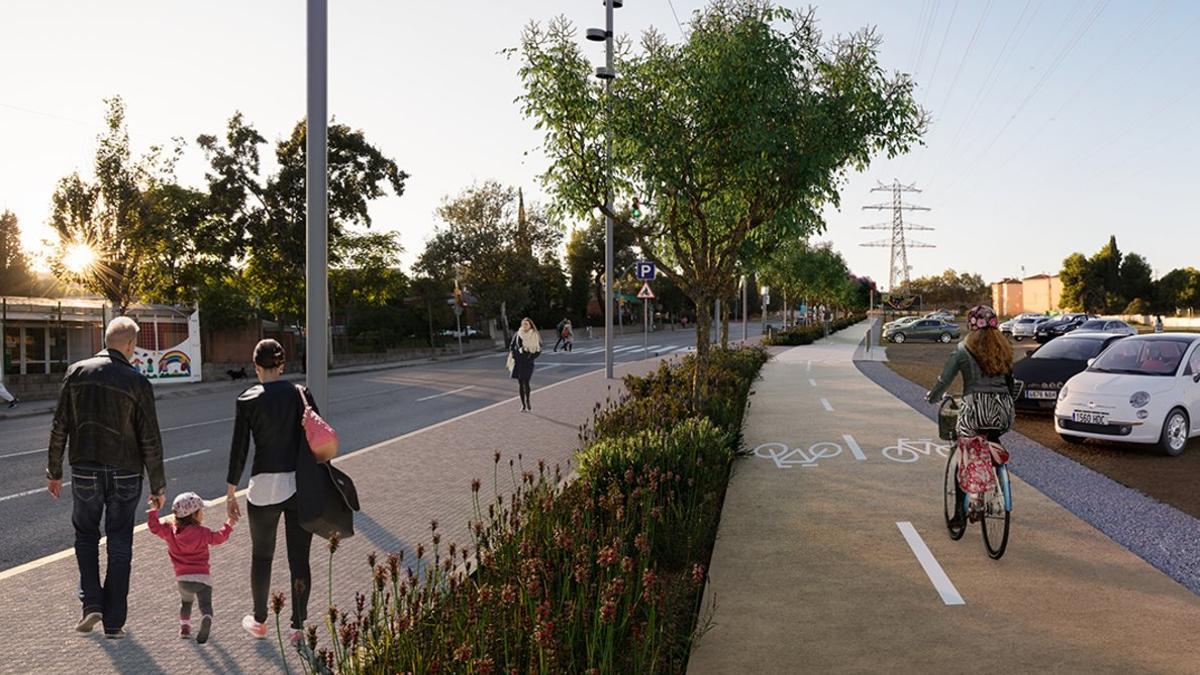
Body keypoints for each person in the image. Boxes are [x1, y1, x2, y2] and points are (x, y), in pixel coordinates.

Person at [46, 316, 166, 639]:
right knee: (120, 541)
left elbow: (60, 425)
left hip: (84, 468)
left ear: (105, 339)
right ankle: (114, 623)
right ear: (129, 345)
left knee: (85, 536)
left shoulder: (76, 373)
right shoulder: (137, 381)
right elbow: (150, 438)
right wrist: (158, 485)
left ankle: (92, 605)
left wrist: (54, 471)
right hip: (126, 472)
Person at [225, 339, 315, 644]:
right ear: (282, 365)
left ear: (255, 366)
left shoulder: (247, 399)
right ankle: (297, 629)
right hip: (300, 487)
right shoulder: (300, 394)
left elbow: (239, 449)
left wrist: (230, 491)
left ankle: (260, 621)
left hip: (262, 489)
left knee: (262, 557)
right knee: (299, 559)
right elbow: (315, 437)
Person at [925, 305, 1015, 524]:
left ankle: (960, 513)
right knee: (991, 437)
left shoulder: (962, 349)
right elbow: (1010, 383)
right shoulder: (1005, 350)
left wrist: (932, 397)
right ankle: (995, 477)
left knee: (964, 452)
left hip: (974, 409)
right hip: (1003, 410)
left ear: (970, 326)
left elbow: (944, 380)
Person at [147, 491, 234, 643]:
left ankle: (184, 628)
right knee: (205, 604)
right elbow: (218, 538)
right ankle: (206, 617)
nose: (203, 514)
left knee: (186, 603)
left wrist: (154, 509)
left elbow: (154, 527)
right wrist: (229, 524)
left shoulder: (169, 531)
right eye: (201, 511)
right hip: (203, 579)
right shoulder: (202, 532)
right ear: (194, 515)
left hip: (183, 579)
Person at [510, 318, 541, 412]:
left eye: (526, 324)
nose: (524, 326)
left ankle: (528, 400)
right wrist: (515, 355)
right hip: (519, 362)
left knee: (526, 382)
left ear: (530, 325)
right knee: (520, 383)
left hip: (528, 362)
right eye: (523, 324)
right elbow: (511, 346)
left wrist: (531, 357)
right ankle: (523, 404)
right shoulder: (518, 334)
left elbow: (539, 349)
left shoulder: (534, 335)